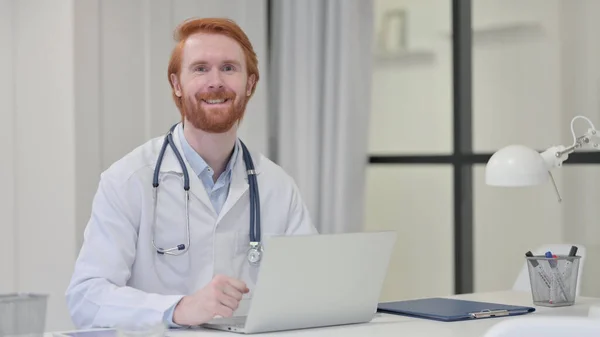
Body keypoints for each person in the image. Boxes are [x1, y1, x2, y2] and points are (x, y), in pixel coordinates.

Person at [65, 17, 317, 329]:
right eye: (200, 68)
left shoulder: (277, 186)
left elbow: (310, 291)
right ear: (176, 84)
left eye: (229, 68)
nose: (216, 82)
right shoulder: (129, 180)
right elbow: (86, 299)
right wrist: (179, 308)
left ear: (250, 83)